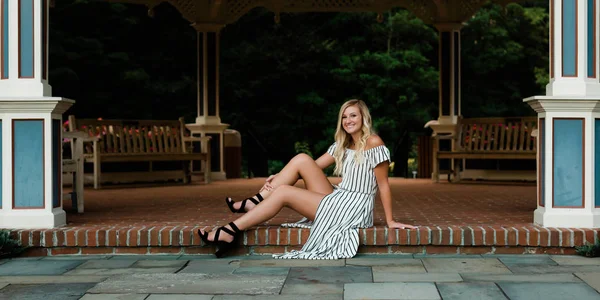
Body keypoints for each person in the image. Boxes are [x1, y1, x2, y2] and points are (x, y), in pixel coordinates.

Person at [198, 99, 416, 259]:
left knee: (283, 193)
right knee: (301, 158)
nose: (348, 120)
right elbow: (311, 166)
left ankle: (229, 231)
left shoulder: (373, 142)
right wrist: (280, 177)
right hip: (339, 197)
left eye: (353, 115)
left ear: (363, 117)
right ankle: (255, 201)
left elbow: (383, 185)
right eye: (344, 116)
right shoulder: (343, 144)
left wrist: (390, 221)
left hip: (354, 207)